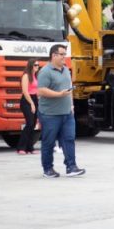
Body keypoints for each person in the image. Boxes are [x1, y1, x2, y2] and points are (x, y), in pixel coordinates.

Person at [37, 44, 85, 178]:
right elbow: (41, 90)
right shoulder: (45, 71)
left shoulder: (65, 70)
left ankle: (71, 167)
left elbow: (69, 90)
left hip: (67, 113)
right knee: (49, 142)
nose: (65, 56)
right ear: (54, 55)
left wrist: (72, 106)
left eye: (65, 53)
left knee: (69, 139)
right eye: (62, 54)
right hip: (50, 114)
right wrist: (59, 94)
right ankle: (48, 169)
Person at [17, 58, 40, 154]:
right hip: (27, 100)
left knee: (33, 124)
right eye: (35, 65)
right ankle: (21, 147)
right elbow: (25, 92)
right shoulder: (26, 76)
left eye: (38, 65)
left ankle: (30, 147)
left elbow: (37, 90)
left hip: (34, 98)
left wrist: (38, 100)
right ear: (30, 65)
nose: (37, 67)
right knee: (29, 123)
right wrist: (31, 104)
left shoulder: (35, 76)